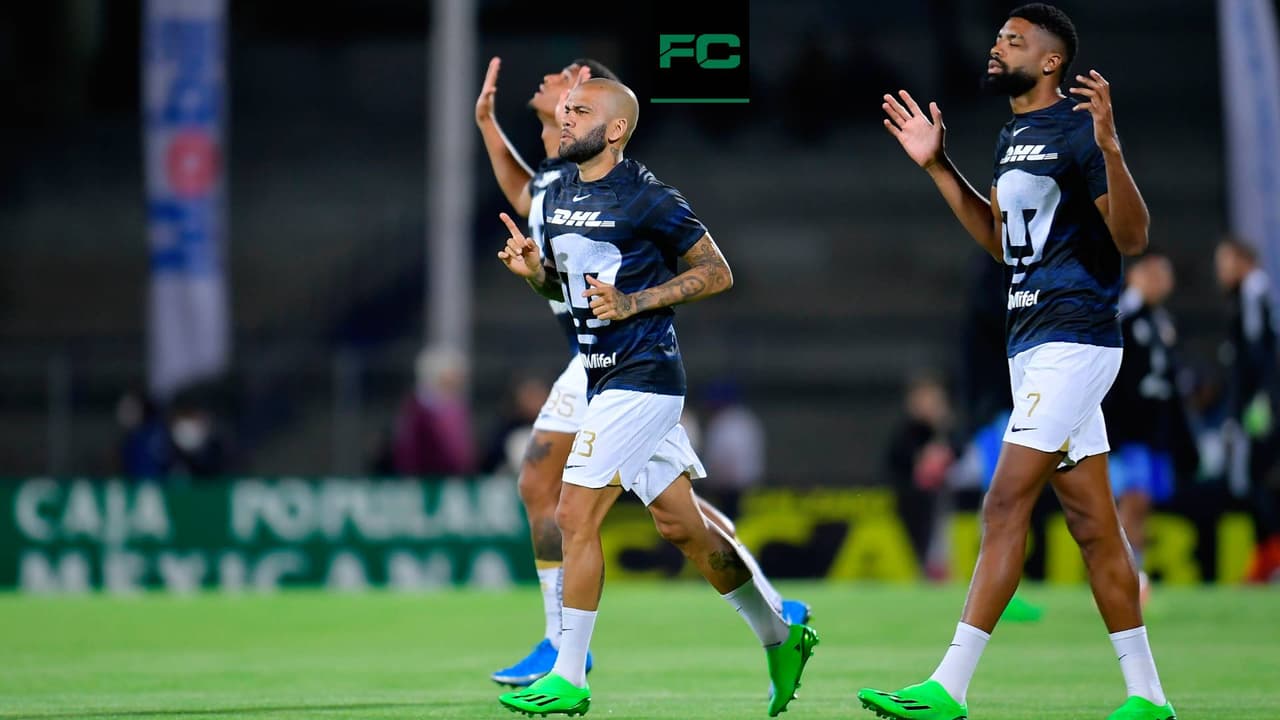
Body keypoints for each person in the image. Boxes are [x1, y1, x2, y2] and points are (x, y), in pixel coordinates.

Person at [865, 5, 1175, 719]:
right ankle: (1149, 697)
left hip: (1075, 339)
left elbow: (1132, 238)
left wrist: (1112, 148)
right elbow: (1004, 243)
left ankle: (948, 687)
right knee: (1095, 527)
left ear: (1051, 61)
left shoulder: (1079, 129)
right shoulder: (1013, 134)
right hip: (1030, 345)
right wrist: (938, 166)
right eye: (1000, 36)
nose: (998, 47)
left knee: (1004, 502)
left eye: (1015, 40)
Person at [476, 57, 810, 689]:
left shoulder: (648, 196)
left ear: (615, 130)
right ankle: (779, 632)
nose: (566, 117)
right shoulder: (564, 191)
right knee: (682, 526)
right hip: (598, 372)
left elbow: (717, 271)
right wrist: (535, 274)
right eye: (567, 109)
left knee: (573, 512)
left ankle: (567, 674)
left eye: (580, 111)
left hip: (642, 377)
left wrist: (635, 301)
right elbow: (562, 287)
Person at [1103, 254, 1191, 603]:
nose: (1162, 283)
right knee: (1132, 500)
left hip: (1155, 429)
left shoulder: (1161, 320)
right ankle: (1119, 578)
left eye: (1165, 276)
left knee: (1143, 504)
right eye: (1154, 274)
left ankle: (1132, 574)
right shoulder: (1122, 313)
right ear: (1135, 274)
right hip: (1129, 429)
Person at [1215, 237, 1280, 582]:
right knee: (1257, 483)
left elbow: (1259, 353)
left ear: (1242, 260)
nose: (1220, 270)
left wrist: (1260, 400)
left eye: (1225, 261)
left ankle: (1270, 563)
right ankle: (1266, 562)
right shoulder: (1252, 293)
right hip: (1258, 403)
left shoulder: (1253, 291)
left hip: (1261, 406)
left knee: (1259, 482)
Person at [392, 345, 475, 476]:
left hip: (453, 479)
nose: (459, 380)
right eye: (453, 374)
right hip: (425, 479)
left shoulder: (457, 408)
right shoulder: (417, 411)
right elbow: (408, 452)